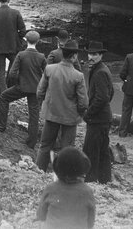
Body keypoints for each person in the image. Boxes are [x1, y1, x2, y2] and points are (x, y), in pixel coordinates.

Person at [36, 39, 88, 172]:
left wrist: (45, 105)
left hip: (51, 113)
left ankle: (39, 171)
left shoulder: (49, 69)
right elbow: (83, 102)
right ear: (74, 56)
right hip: (69, 117)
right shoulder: (78, 76)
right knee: (67, 149)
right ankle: (63, 175)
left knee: (45, 145)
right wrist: (80, 114)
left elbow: (40, 91)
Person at [0, 30, 47, 148]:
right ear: (38, 41)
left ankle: (1, 124)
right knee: (34, 114)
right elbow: (47, 74)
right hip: (35, 89)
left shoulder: (21, 54)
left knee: (4, 97)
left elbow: (12, 73)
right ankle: (31, 142)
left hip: (22, 87)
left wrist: (17, 83)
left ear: (26, 41)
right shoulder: (41, 56)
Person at [36, 146, 96, 229]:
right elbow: (90, 222)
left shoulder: (50, 188)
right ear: (81, 171)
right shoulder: (87, 192)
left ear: (58, 169)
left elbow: (41, 216)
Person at [82, 41, 113, 184]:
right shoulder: (101, 68)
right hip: (103, 117)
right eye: (90, 54)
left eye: (95, 54)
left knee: (91, 150)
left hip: (98, 118)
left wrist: (89, 113)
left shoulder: (100, 71)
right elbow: (110, 93)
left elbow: (103, 97)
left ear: (101, 55)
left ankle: (91, 179)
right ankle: (104, 179)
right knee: (102, 149)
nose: (91, 57)